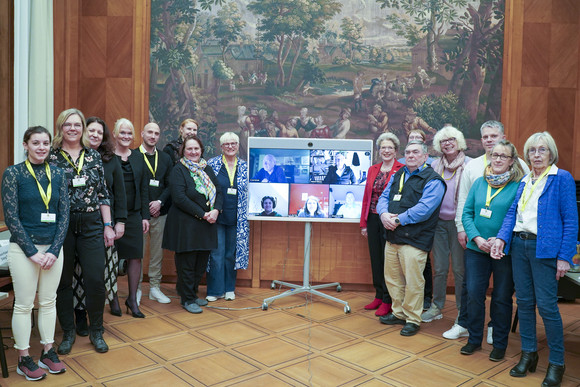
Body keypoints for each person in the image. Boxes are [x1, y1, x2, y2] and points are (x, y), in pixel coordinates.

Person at [491, 132, 578, 387]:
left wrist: (564, 257)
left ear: (551, 153)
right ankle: (529, 354)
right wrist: (502, 239)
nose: (536, 155)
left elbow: (571, 221)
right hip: (520, 247)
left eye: (542, 150)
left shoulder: (561, 178)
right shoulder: (525, 180)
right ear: (526, 155)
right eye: (532, 150)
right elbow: (512, 215)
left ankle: (557, 363)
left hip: (545, 250)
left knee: (548, 308)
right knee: (525, 303)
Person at [445, 121, 530, 342]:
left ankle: (495, 328)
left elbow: (520, 209)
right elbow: (464, 202)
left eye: (494, 136)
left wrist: (500, 238)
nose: (490, 140)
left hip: (504, 246)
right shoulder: (474, 167)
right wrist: (464, 230)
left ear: (503, 136)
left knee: (502, 294)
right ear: (481, 140)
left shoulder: (520, 168)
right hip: (476, 242)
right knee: (472, 289)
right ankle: (466, 326)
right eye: (485, 137)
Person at [2, 126, 69, 380]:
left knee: (48, 302)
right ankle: (23, 358)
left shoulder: (59, 174)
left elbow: (64, 216)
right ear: (25, 145)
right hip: (24, 249)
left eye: (45, 143)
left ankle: (48, 351)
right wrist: (32, 252)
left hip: (52, 250)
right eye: (36, 143)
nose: (42, 147)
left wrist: (53, 250)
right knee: (24, 304)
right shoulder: (13, 174)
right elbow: (12, 217)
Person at [49, 108, 112, 354]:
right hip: (61, 226)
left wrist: (108, 225)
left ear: (83, 128)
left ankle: (97, 331)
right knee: (63, 281)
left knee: (95, 279)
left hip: (91, 224)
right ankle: (68, 333)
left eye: (77, 125)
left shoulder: (93, 156)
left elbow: (102, 193)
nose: (72, 129)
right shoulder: (51, 156)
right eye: (68, 125)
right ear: (60, 128)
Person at [460, 140, 524, 361]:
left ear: (512, 161)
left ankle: (499, 344)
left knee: (502, 298)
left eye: (503, 156)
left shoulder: (519, 186)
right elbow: (467, 214)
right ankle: (474, 339)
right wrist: (476, 238)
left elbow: (517, 218)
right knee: (474, 295)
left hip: (504, 251)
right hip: (476, 249)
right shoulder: (479, 183)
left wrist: (500, 239)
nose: (497, 159)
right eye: (494, 155)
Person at [376, 141, 446, 336]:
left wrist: (397, 219)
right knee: (393, 279)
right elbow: (383, 197)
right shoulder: (399, 174)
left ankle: (413, 319)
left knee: (414, 282)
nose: (410, 155)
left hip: (415, 240)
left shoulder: (434, 180)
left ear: (425, 156)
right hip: (392, 237)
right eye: (407, 152)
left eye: (415, 152)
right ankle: (398, 313)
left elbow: (424, 209)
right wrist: (383, 215)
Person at [73, 117, 127, 332]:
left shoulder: (111, 160)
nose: (94, 135)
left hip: (105, 223)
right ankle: (79, 314)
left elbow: (120, 194)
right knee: (78, 272)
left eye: (99, 132)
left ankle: (108, 300)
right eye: (91, 130)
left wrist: (119, 222)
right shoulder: (74, 156)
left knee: (102, 270)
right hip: (78, 225)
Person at [162, 135, 223, 313]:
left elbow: (218, 191)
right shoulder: (178, 170)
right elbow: (179, 198)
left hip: (206, 225)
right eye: (189, 149)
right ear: (183, 151)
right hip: (185, 226)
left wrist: (216, 211)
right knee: (186, 264)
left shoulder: (207, 168)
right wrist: (203, 214)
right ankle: (187, 299)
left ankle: (193, 294)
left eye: (196, 149)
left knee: (200, 264)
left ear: (201, 150)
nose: (193, 152)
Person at [421, 127, 471, 323]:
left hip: (459, 225)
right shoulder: (434, 165)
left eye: (451, 139)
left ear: (458, 142)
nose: (447, 143)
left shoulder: (469, 164)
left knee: (459, 269)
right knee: (440, 268)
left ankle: (461, 309)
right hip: (438, 224)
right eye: (443, 141)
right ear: (438, 145)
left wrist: (465, 226)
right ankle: (437, 306)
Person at [360, 132, 404, 316]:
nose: (386, 150)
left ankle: (388, 299)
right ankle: (378, 294)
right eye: (383, 147)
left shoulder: (402, 169)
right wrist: (364, 223)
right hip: (372, 218)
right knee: (376, 258)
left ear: (395, 151)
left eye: (390, 148)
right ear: (379, 150)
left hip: (390, 220)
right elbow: (366, 198)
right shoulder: (373, 169)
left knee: (390, 261)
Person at [112, 118, 151, 318]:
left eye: (129, 133)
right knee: (111, 259)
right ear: (115, 135)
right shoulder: (108, 157)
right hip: (111, 216)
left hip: (134, 215)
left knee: (136, 257)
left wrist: (145, 216)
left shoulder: (138, 158)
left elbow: (144, 189)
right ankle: (113, 298)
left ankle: (132, 300)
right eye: (122, 133)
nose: (126, 136)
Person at [206, 132, 249, 302]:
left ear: (238, 146)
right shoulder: (213, 164)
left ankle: (229, 288)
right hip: (217, 217)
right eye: (226, 144)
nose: (230, 147)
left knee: (231, 254)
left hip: (237, 219)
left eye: (233, 143)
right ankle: (215, 290)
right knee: (216, 254)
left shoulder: (245, 166)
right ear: (221, 146)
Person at [139, 122, 173, 304]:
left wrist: (159, 202)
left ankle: (154, 287)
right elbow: (132, 188)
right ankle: (135, 288)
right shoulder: (134, 156)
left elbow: (170, 184)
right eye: (150, 132)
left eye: (156, 133)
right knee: (138, 253)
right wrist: (145, 209)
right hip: (139, 215)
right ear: (142, 133)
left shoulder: (165, 158)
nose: (153, 136)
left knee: (157, 252)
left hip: (160, 213)